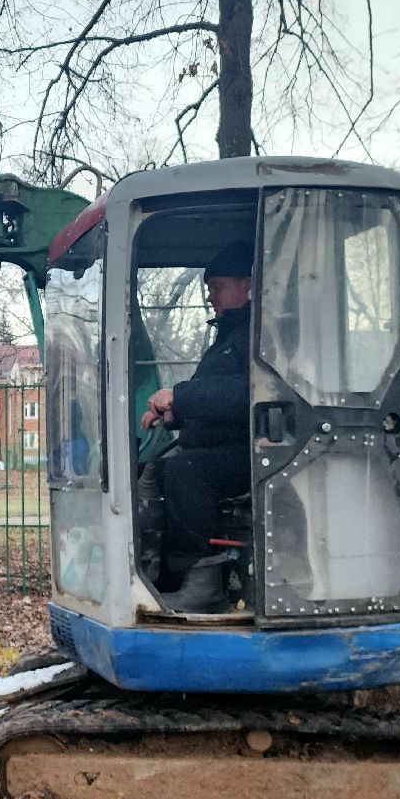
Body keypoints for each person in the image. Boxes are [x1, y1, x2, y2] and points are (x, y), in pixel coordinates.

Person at [140, 239, 254, 611]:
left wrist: (181, 396)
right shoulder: (229, 336)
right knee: (153, 470)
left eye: (217, 287)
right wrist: (175, 416)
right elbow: (215, 400)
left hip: (255, 454)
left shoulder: (258, 337)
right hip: (222, 448)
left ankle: (206, 583)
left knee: (187, 473)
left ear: (247, 285)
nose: (211, 297)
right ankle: (166, 577)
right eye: (208, 290)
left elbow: (246, 395)